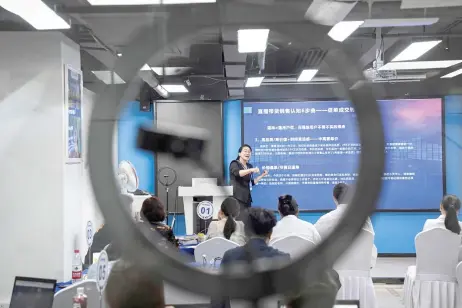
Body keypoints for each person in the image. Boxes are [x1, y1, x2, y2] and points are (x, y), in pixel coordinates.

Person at [314, 183, 377, 268]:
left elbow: (313, 242)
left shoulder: (325, 220)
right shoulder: (365, 220)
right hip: (362, 278)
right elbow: (370, 248)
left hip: (332, 276)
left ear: (334, 198)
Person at [229, 144, 269, 213]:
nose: (248, 153)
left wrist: (262, 175)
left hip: (247, 199)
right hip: (237, 198)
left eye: (249, 152)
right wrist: (251, 170)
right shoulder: (234, 163)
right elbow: (238, 173)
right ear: (239, 153)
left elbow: (251, 183)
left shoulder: (249, 166)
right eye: (245, 151)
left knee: (247, 220)